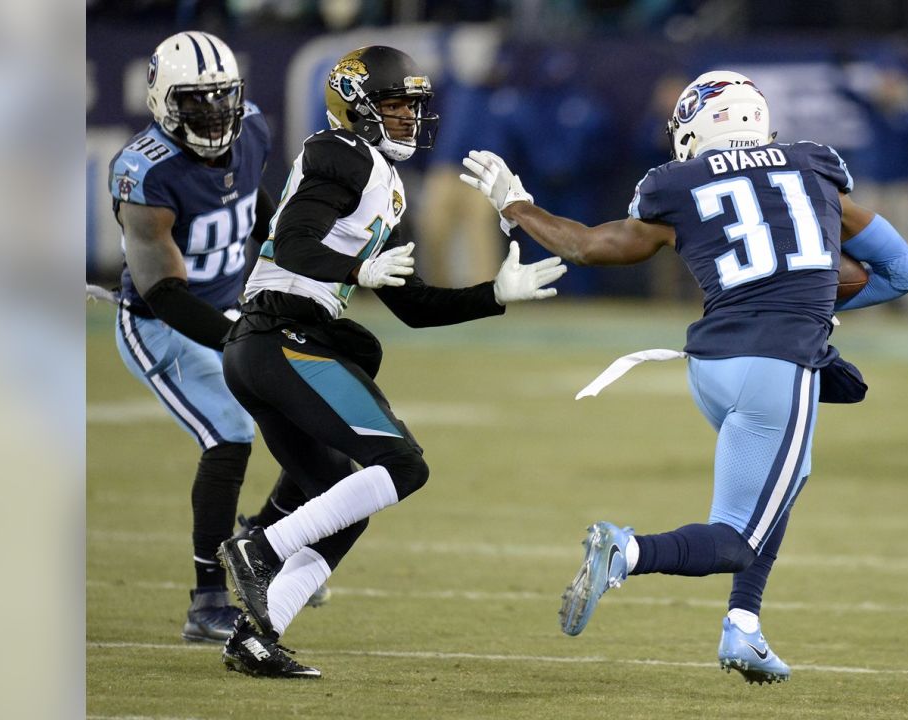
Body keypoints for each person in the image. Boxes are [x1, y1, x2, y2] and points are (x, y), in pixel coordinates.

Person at [459, 71, 908, 683]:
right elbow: (903, 272)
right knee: (736, 538)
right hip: (777, 367)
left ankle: (744, 629)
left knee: (784, 483)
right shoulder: (814, 168)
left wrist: (516, 205)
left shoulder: (675, 184)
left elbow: (590, 246)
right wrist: (807, 296)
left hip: (711, 364)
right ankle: (626, 551)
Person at [214, 46, 566, 679]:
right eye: (396, 104)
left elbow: (413, 305)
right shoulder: (341, 154)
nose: (409, 118)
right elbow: (292, 241)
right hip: (280, 335)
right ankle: (260, 546)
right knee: (401, 465)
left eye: (413, 106)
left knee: (342, 502)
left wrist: (495, 294)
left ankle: (255, 634)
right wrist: (355, 269)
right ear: (356, 106)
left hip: (274, 343)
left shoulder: (378, 176)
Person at [107, 31, 328, 645]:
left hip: (236, 311)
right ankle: (206, 601)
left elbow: (253, 205)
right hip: (162, 327)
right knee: (229, 435)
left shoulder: (253, 128)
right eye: (194, 102)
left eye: (220, 99)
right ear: (161, 101)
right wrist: (239, 330)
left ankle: (262, 546)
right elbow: (163, 293)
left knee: (313, 422)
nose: (212, 114)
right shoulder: (144, 171)